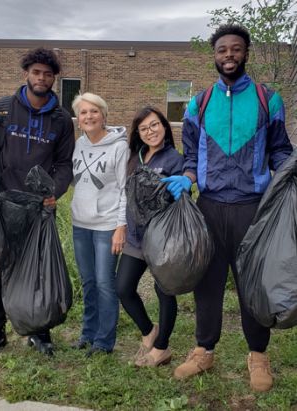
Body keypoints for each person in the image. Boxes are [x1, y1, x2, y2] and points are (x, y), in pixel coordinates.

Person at [163, 24, 293, 392]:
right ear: (215, 55)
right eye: (222, 50)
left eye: (236, 49)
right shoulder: (198, 102)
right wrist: (187, 177)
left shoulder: (270, 99)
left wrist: (289, 176)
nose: (229, 55)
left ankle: (258, 356)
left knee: (254, 284)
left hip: (253, 207)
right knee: (207, 282)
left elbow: (280, 150)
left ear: (246, 52)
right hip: (209, 206)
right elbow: (190, 155)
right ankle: (204, 350)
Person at [0, 47, 75, 357]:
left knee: (37, 269)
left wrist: (53, 193)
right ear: (26, 74)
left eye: (48, 74)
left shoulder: (61, 119)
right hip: (3, 203)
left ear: (53, 79)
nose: (42, 78)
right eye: (36, 72)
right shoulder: (3, 109)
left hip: (37, 208)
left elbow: (64, 165)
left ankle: (38, 330)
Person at [116, 106, 183, 367]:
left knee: (164, 291)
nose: (150, 131)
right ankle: (149, 331)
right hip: (135, 237)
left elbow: (182, 196)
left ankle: (162, 347)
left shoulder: (174, 159)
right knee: (122, 288)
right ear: (139, 134)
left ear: (164, 126)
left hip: (162, 240)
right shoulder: (135, 158)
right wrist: (121, 226)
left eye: (154, 125)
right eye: (144, 128)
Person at [70, 92, 129, 356]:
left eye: (94, 111)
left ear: (104, 115)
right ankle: (88, 333)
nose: (89, 116)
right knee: (88, 281)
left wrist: (121, 226)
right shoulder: (78, 144)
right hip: (79, 224)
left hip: (107, 226)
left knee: (105, 282)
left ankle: (104, 341)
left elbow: (125, 189)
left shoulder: (119, 146)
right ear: (78, 119)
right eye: (84, 112)